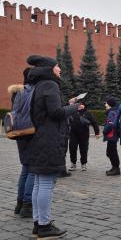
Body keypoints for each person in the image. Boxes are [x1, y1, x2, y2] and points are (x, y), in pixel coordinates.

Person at [26, 55, 82, 239]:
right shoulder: (50, 85)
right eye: (58, 66)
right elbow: (56, 113)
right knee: (46, 183)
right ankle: (44, 225)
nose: (60, 69)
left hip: (38, 139)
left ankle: (38, 222)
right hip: (48, 140)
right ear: (50, 68)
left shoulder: (37, 85)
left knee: (38, 182)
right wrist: (75, 108)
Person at [7, 68, 35, 218]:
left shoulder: (19, 92)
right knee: (31, 170)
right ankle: (27, 205)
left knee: (25, 169)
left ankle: (20, 203)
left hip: (20, 133)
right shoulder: (31, 92)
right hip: (30, 132)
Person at [68, 101, 100, 171]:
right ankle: (73, 164)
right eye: (78, 104)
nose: (80, 105)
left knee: (84, 149)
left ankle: (83, 164)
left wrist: (97, 133)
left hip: (84, 134)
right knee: (72, 149)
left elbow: (94, 123)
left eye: (81, 104)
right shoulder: (72, 112)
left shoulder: (87, 113)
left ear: (84, 106)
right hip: (73, 134)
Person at [103, 97, 120, 176]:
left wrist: (105, 130)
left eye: (106, 103)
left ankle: (116, 169)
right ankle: (114, 167)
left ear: (110, 104)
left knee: (112, 152)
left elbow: (111, 124)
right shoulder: (113, 111)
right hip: (112, 135)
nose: (105, 104)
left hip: (112, 135)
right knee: (110, 152)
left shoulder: (112, 112)